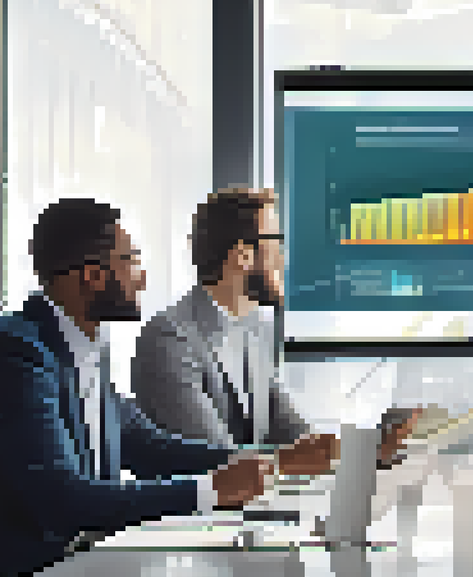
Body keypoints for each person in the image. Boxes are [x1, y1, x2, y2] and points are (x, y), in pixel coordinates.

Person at [0, 199, 273, 577]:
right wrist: (210, 490)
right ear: (92, 275)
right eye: (132, 260)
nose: (142, 279)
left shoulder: (85, 348)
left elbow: (149, 447)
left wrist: (267, 462)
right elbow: (63, 501)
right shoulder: (13, 355)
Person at [132, 187, 418, 473]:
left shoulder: (258, 331)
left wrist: (372, 447)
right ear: (242, 256)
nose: (284, 258)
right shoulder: (169, 340)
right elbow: (217, 464)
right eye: (278, 243)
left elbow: (295, 437)